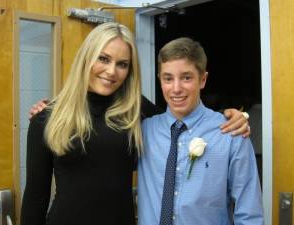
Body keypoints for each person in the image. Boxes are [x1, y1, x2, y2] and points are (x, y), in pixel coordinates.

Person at [22, 22, 250, 225]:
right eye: (103, 58)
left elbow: (180, 122)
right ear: (86, 58)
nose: (111, 71)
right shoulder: (47, 118)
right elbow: (35, 197)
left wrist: (228, 116)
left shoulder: (135, 108)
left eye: (122, 64)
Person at [137, 37, 263, 225]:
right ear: (160, 80)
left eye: (186, 77)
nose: (176, 88)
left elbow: (249, 214)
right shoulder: (143, 131)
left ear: (202, 79)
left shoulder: (231, 134)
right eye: (168, 78)